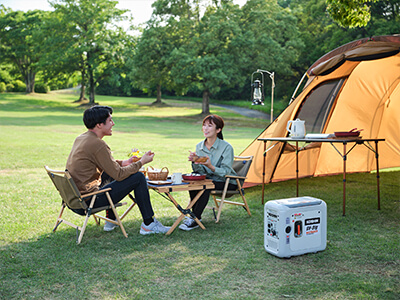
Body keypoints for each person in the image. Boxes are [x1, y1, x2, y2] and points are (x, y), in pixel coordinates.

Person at [66, 105, 170, 235]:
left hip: (74, 200)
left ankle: (110, 220)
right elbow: (119, 175)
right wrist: (142, 162)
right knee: (138, 178)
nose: (113, 124)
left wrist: (124, 163)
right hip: (88, 201)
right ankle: (149, 224)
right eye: (110, 120)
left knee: (109, 173)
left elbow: (107, 165)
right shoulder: (98, 144)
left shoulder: (82, 138)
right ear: (99, 125)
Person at [179, 114, 237, 231]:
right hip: (209, 179)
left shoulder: (226, 147)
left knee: (205, 186)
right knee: (194, 183)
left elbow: (226, 172)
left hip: (226, 181)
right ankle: (194, 217)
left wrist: (210, 166)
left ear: (218, 130)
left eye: (209, 126)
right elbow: (199, 172)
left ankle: (195, 218)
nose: (205, 128)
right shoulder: (199, 146)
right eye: (204, 125)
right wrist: (195, 162)